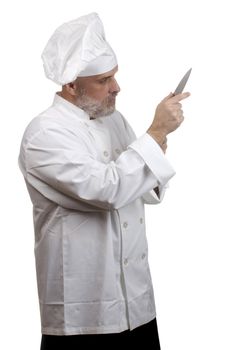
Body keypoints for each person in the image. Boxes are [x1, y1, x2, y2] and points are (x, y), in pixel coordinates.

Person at [18, 12, 190, 350]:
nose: (116, 87)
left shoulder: (113, 120)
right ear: (71, 85)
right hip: (82, 316)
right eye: (104, 79)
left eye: (115, 76)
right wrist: (155, 134)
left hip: (137, 304)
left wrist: (155, 144)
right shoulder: (44, 133)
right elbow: (108, 190)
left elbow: (145, 190)